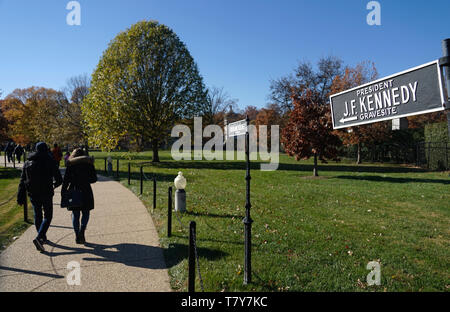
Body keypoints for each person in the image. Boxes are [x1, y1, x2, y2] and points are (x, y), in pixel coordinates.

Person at [17, 142, 63, 252]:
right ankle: (39, 237)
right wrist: (54, 185)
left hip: (33, 192)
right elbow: (59, 179)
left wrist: (20, 196)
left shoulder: (28, 162)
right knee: (48, 215)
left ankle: (41, 236)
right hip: (46, 192)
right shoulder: (50, 161)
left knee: (37, 215)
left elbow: (22, 181)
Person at [62, 148, 97, 244]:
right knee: (86, 212)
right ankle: (82, 230)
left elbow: (65, 181)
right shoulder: (89, 164)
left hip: (74, 190)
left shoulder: (70, 165)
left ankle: (77, 234)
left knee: (75, 213)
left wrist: (63, 192)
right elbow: (94, 179)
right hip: (86, 190)